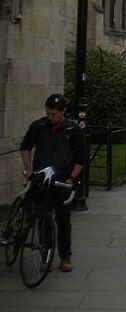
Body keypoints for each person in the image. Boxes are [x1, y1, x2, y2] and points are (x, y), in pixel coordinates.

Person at [20, 94, 88, 272]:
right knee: (43, 219)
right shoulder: (39, 126)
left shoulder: (73, 130)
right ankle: (46, 256)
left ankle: (65, 257)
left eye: (54, 114)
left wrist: (71, 178)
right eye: (48, 114)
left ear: (63, 111)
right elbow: (26, 147)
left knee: (63, 221)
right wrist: (29, 170)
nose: (50, 117)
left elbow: (81, 157)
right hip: (42, 180)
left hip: (62, 182)